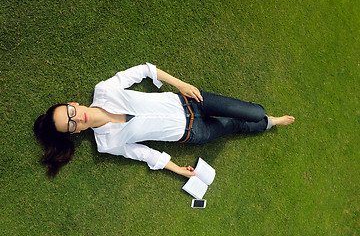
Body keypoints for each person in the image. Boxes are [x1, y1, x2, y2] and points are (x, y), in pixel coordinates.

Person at [34, 63, 295, 178]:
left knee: (252, 112)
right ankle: (271, 122)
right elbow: (142, 154)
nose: (77, 118)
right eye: (71, 125)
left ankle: (263, 117)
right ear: (75, 132)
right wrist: (178, 170)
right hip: (193, 132)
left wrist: (181, 85)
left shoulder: (104, 90)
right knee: (235, 125)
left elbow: (145, 70)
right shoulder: (106, 143)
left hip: (190, 101)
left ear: (73, 104)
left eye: (70, 113)